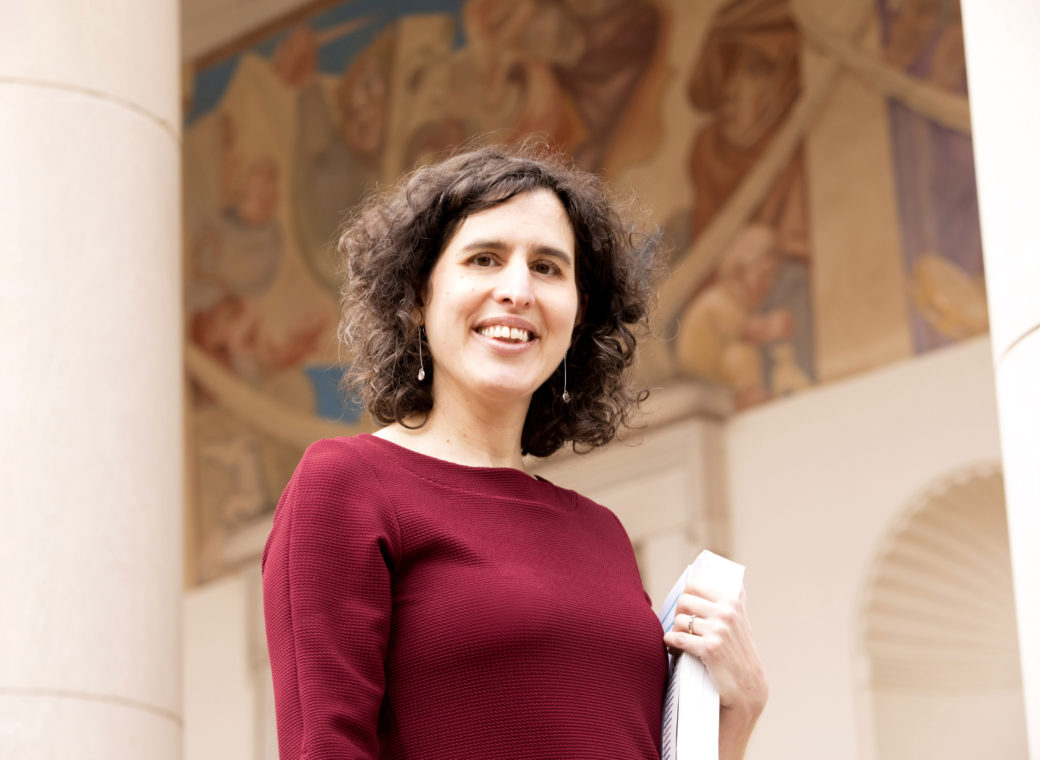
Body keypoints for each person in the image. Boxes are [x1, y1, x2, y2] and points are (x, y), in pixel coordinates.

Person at [261, 144, 768, 759]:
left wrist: (737, 717)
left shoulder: (603, 534)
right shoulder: (347, 484)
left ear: (578, 315)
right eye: (485, 259)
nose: (518, 290)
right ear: (417, 296)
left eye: (548, 267)